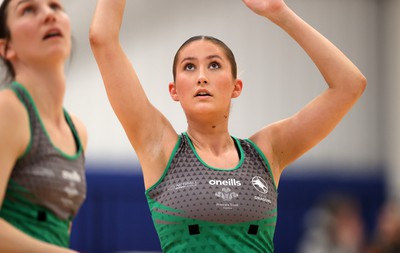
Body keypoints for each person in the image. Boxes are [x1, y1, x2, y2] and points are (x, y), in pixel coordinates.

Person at [89, 0, 366, 252]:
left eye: (214, 65)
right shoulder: (159, 148)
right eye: (188, 67)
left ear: (236, 87)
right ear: (174, 90)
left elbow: (350, 84)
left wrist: (279, 13)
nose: (201, 77)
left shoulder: (268, 151)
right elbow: (102, 39)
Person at [0, 0, 87, 252]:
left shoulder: (77, 130)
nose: (49, 15)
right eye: (28, 9)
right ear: (6, 48)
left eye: (55, 6)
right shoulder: (9, 109)